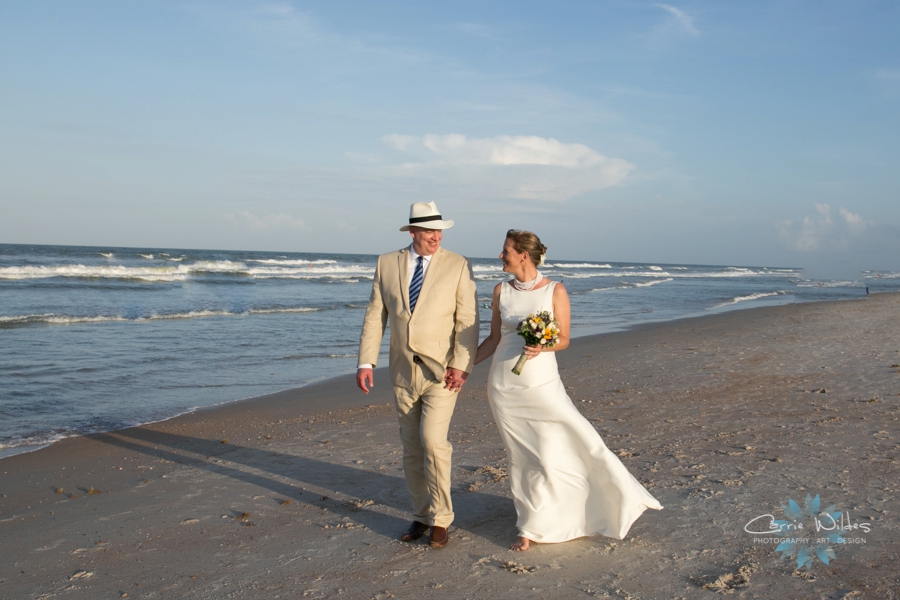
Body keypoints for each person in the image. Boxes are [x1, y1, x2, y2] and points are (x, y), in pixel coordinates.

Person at [473, 230, 662, 551]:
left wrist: (542, 344)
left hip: (542, 384)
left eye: (505, 251)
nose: (500, 256)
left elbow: (563, 339)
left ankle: (616, 497)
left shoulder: (555, 290)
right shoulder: (500, 291)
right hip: (504, 386)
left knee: (562, 444)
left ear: (523, 255)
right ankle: (530, 525)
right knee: (521, 456)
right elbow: (493, 339)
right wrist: (462, 368)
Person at [357, 201, 479, 548]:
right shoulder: (386, 263)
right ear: (413, 232)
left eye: (439, 231)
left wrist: (461, 363)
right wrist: (366, 362)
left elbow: (467, 320)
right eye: (429, 231)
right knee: (411, 448)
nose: (436, 237)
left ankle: (442, 518)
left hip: (442, 374)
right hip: (401, 373)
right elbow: (374, 315)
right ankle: (422, 515)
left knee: (433, 442)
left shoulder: (458, 265)